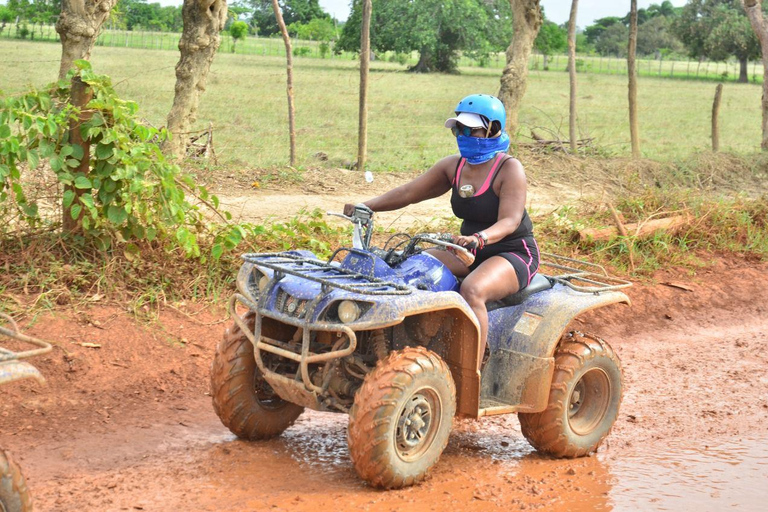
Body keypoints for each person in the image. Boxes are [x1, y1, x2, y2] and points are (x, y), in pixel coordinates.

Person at [344, 94, 539, 367]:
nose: (463, 135)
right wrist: (366, 206)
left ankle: (472, 368)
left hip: (510, 252)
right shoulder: (454, 166)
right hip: (467, 248)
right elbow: (409, 192)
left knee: (472, 289)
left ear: (493, 129)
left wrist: (479, 237)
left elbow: (509, 221)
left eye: (471, 129)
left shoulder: (509, 168)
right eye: (459, 129)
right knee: (414, 268)